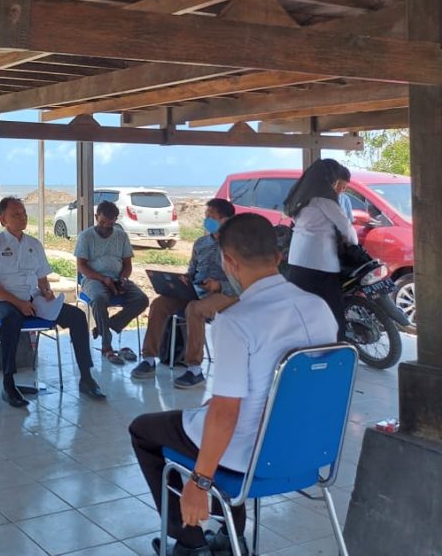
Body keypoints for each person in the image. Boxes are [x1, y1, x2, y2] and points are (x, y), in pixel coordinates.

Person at [129, 213, 338, 556]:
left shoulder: (237, 321)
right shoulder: (320, 309)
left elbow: (226, 413)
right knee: (218, 414)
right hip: (308, 450)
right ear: (278, 257)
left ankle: (189, 540)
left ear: (229, 261)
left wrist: (199, 483)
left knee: (144, 430)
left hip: (248, 456)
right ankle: (230, 536)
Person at [0, 196, 105, 408]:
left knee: (76, 316)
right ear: (3, 220)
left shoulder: (34, 244)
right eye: (16, 215)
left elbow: (42, 278)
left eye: (24, 214)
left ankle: (86, 377)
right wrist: (18, 303)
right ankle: (8, 384)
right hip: (4, 301)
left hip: (33, 300)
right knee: (11, 319)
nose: (22, 218)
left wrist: (47, 292)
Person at [132, 198, 239, 389]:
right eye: (206, 216)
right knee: (159, 304)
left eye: (211, 216)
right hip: (197, 290)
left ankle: (194, 370)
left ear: (226, 220)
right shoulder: (201, 243)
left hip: (227, 295)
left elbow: (243, 282)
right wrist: (183, 282)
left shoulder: (238, 246)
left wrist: (218, 285)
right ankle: (148, 359)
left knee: (194, 309)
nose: (207, 220)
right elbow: (192, 270)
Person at [283, 159, 357, 340]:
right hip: (321, 263)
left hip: (297, 260)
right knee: (331, 309)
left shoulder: (302, 199)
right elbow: (346, 227)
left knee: (302, 308)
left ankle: (303, 343)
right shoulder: (323, 199)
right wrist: (354, 246)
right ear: (330, 178)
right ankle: (334, 345)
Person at [74, 200, 149, 365]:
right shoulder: (86, 236)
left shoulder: (121, 236)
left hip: (117, 277)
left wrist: (122, 279)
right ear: (96, 217)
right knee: (99, 298)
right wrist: (103, 279)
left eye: (109, 224)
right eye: (102, 222)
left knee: (142, 299)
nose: (105, 227)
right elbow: (81, 266)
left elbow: (127, 264)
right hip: (93, 279)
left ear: (115, 220)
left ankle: (107, 326)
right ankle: (106, 346)